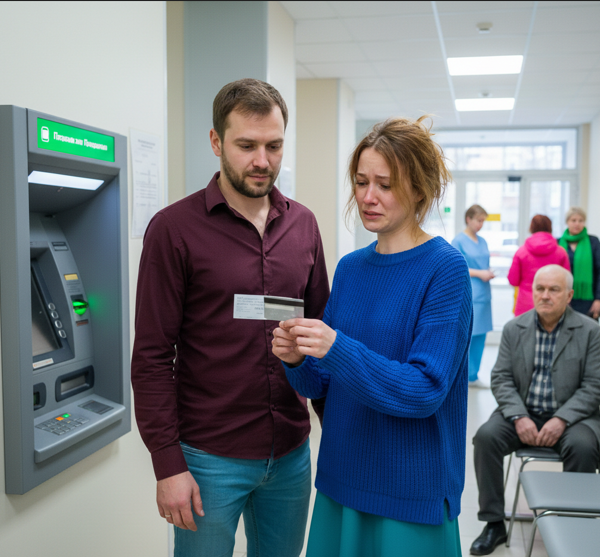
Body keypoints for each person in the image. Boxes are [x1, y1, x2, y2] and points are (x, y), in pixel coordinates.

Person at [130, 78, 330, 557]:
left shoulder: (303, 225)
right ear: (217, 142)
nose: (262, 160)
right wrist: (167, 464)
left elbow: (320, 336)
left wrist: (337, 431)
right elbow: (152, 356)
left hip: (291, 454)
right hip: (208, 459)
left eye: (273, 146)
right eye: (246, 145)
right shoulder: (174, 230)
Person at [272, 116, 473, 557]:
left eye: (385, 184)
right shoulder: (350, 268)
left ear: (418, 190)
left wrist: (336, 348)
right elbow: (321, 384)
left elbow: (425, 390)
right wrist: (297, 360)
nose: (368, 196)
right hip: (341, 481)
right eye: (362, 182)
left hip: (410, 494)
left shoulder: (445, 269)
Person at [470, 264, 600, 556]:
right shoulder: (514, 328)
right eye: (540, 289)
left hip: (572, 417)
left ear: (569, 295)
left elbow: (594, 385)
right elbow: (501, 378)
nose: (545, 295)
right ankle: (494, 523)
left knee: (583, 446)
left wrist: (562, 419)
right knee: (486, 438)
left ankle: (574, 522)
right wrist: (518, 416)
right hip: (523, 412)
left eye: (554, 290)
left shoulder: (591, 331)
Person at [452, 205, 494, 387]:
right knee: (468, 336)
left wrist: (487, 272)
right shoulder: (458, 241)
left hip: (484, 295)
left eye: (483, 221)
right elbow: (457, 268)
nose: (480, 224)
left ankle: (473, 376)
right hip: (470, 294)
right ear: (468, 219)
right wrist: (479, 273)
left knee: (480, 337)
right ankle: (462, 378)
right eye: (478, 220)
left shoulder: (482, 241)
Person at [508, 214, 570, 316]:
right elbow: (567, 282)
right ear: (550, 227)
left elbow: (513, 280)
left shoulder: (521, 252)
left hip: (525, 304)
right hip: (553, 304)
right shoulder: (561, 252)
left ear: (531, 227)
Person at [558, 206, 600, 320]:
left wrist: (598, 299)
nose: (577, 224)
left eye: (581, 220)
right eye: (573, 220)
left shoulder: (593, 242)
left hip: (588, 300)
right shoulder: (558, 243)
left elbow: (599, 271)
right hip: (563, 298)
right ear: (567, 222)